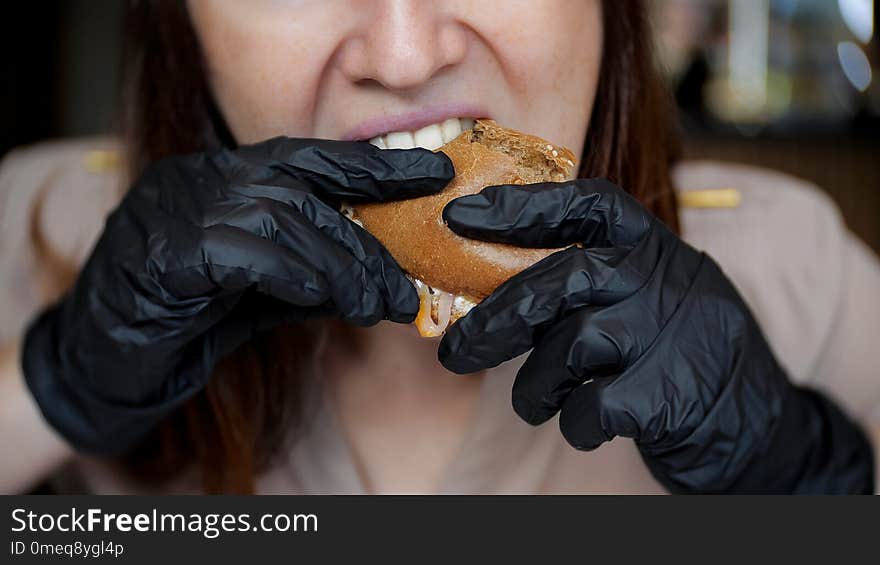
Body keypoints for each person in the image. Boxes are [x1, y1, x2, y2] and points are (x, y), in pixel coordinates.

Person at [0, 0, 877, 494]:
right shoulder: (39, 222)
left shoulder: (793, 267)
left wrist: (808, 477)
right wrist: (51, 386)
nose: (406, 54)